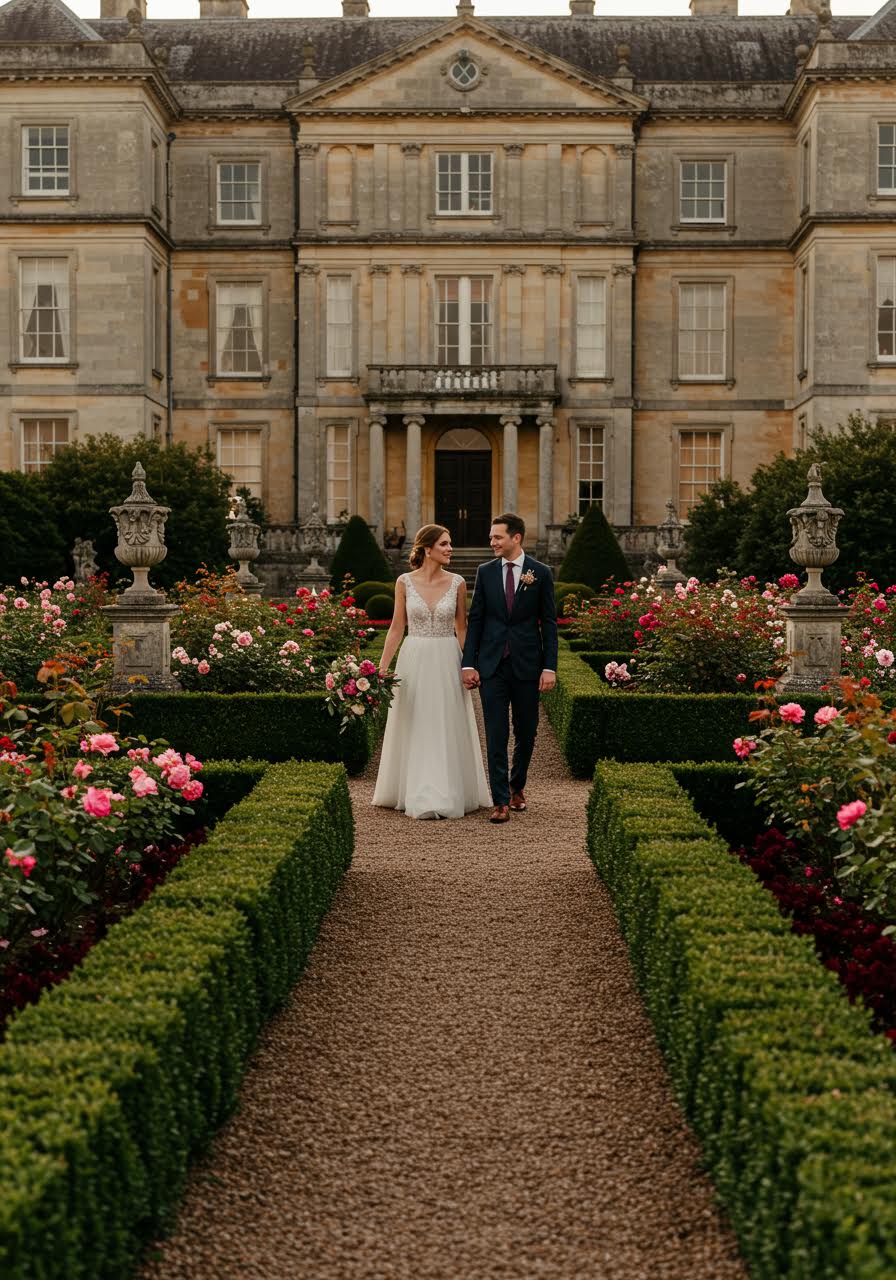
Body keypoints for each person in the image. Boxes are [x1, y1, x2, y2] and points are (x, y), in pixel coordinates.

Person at [373, 524, 491, 820]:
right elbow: (396, 627)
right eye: (444, 544)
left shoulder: (457, 582)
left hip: (446, 657)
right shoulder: (404, 582)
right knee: (415, 720)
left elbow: (462, 628)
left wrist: (470, 664)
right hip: (413, 657)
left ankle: (446, 791)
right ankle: (414, 789)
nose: (450, 549)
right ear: (427, 549)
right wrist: (381, 668)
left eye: (450, 544)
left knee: (444, 721)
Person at [461, 513, 558, 824]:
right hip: (492, 666)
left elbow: (549, 624)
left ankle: (518, 786)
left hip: (528, 665)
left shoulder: (540, 573)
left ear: (516, 538)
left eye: (497, 537)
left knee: (526, 732)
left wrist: (549, 667)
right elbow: (476, 619)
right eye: (491, 537)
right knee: (496, 733)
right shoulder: (485, 571)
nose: (492, 542)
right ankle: (500, 800)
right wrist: (468, 662)